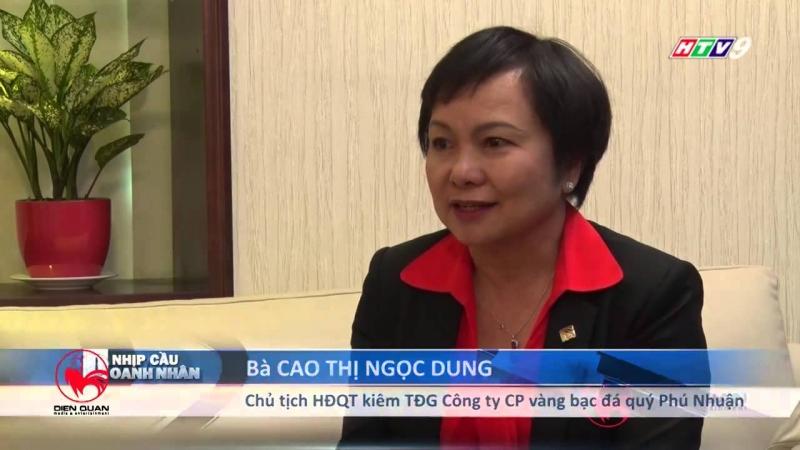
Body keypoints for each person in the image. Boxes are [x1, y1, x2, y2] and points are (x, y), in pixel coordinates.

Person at [339, 26, 706, 449]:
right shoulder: (395, 282)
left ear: (570, 164)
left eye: (494, 142)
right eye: (441, 143)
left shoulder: (652, 295)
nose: (461, 171)